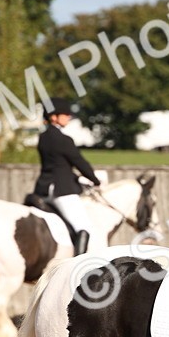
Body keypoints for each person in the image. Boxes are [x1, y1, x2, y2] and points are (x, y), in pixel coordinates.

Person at [33, 97, 101, 256]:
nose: (69, 116)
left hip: (43, 190)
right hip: (61, 190)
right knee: (84, 228)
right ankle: (77, 266)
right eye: (64, 114)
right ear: (53, 116)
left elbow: (58, 165)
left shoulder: (43, 138)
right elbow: (80, 163)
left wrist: (76, 178)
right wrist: (95, 180)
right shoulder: (64, 140)